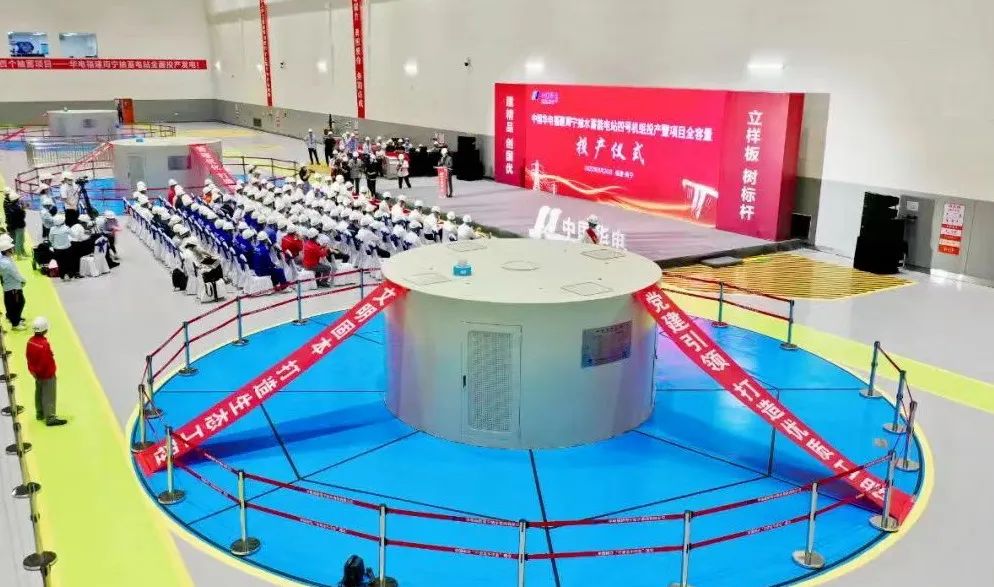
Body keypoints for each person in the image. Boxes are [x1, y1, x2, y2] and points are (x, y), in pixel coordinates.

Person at [26, 317, 65, 427]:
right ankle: (50, 418)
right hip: (47, 374)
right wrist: (49, 373)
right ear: (45, 329)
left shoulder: (30, 341)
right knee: (49, 395)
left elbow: (28, 356)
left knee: (39, 392)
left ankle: (40, 413)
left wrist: (33, 371)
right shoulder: (44, 344)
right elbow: (45, 361)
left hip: (36, 374)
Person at [0, 239, 26, 330]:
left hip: (10, 286)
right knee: (18, 303)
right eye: (11, 249)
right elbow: (15, 274)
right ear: (7, 251)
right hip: (13, 287)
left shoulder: (4, 260)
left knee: (12, 304)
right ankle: (15, 323)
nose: (13, 249)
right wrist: (23, 280)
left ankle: (15, 318)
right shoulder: (7, 264)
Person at [4, 188, 27, 258]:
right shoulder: (17, 208)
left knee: (15, 239)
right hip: (19, 225)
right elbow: (22, 215)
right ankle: (19, 254)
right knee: (19, 240)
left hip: (11, 224)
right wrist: (23, 209)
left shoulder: (8, 205)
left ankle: (20, 252)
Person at [48, 215, 72, 280]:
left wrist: (55, 243)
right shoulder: (66, 228)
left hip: (57, 249)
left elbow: (50, 239)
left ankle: (62, 275)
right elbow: (73, 235)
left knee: (60, 263)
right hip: (67, 248)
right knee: (68, 262)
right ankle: (69, 274)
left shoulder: (52, 229)